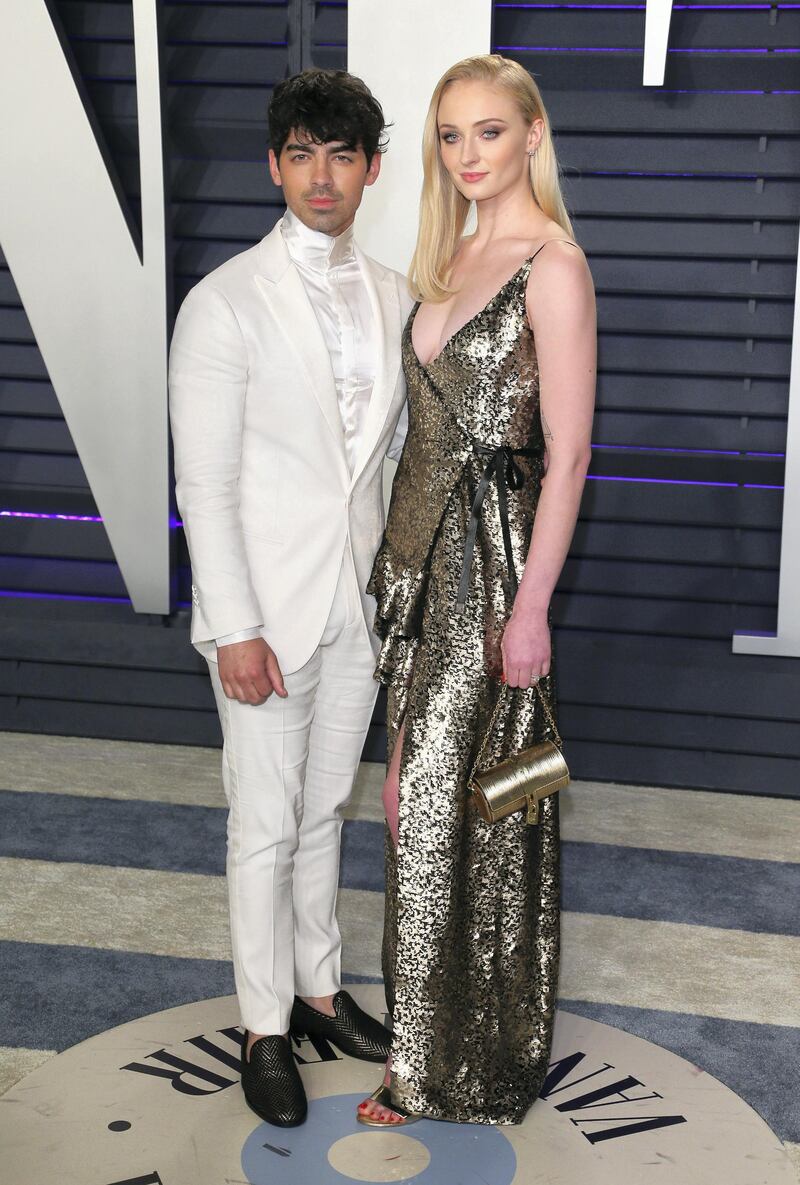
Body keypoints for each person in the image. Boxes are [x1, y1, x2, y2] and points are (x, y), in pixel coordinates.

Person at [169, 68, 414, 1128]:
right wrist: (233, 625)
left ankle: (320, 993)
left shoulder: (400, 293)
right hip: (261, 614)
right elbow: (205, 483)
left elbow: (393, 464)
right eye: (302, 153)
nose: (323, 176)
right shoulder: (223, 302)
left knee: (324, 811)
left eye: (343, 154)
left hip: (355, 604)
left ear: (370, 168)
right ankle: (262, 1025)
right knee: (262, 822)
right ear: (275, 166)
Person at [357, 54, 596, 1127]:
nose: (467, 156)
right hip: (417, 564)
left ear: (531, 137)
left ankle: (444, 1066)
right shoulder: (446, 252)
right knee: (413, 803)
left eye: (488, 133)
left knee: (471, 815)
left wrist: (532, 604)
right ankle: (450, 1036)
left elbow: (570, 454)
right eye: (449, 137)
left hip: (492, 570)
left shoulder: (550, 266)